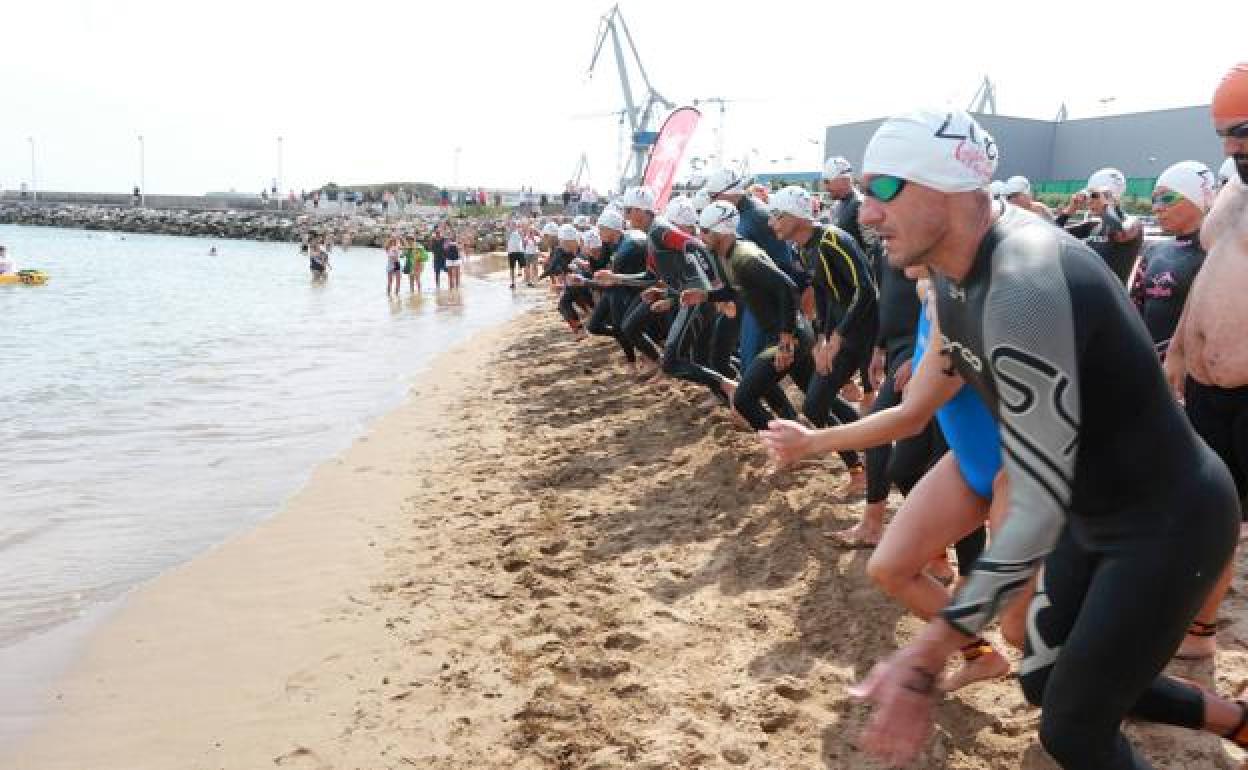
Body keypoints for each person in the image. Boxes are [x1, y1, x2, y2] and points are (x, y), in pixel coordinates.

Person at [848, 107, 1243, 770]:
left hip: (1168, 523)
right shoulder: (951, 274)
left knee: (1073, 732)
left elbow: (1033, 507)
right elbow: (933, 414)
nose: (866, 212)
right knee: (1045, 677)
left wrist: (924, 654)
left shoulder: (1025, 283)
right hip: (1093, 517)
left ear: (947, 185)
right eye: (863, 192)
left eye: (885, 189)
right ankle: (1235, 719)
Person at [762, 266, 1014, 692]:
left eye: (893, 216)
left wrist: (811, 442)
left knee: (1022, 628)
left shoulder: (963, 299)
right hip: (970, 463)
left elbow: (910, 418)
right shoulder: (928, 290)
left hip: (1018, 471)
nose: (879, 228)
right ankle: (979, 655)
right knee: (891, 568)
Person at [1162, 63, 1248, 662]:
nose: (1231, 146)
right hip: (1208, 390)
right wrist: (1181, 351)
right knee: (1212, 515)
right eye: (1223, 134)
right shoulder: (1237, 192)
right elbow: (1214, 274)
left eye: (1241, 130)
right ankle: (1201, 633)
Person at [768, 185, 876, 483]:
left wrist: (839, 336)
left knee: (863, 403)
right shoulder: (804, 249)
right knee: (816, 404)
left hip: (866, 332)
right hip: (843, 332)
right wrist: (822, 339)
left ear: (796, 216)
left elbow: (866, 291)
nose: (771, 223)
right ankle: (861, 461)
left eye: (777, 216)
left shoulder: (833, 239)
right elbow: (825, 296)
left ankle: (868, 462)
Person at [679, 200, 804, 415]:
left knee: (745, 398)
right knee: (817, 403)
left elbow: (789, 289)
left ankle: (784, 436)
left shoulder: (744, 257)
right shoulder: (728, 254)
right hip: (783, 332)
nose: (701, 237)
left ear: (722, 231)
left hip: (788, 335)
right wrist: (706, 295)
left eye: (706, 231)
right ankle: (791, 428)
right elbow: (740, 289)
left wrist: (785, 340)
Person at [1128, 161, 1214, 360]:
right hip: (1151, 367)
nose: (1157, 208)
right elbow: (1134, 313)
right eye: (1154, 200)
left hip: (1195, 371)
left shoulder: (1215, 253)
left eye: (1167, 198)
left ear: (1198, 199)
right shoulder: (1153, 251)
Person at [1056, 167, 1143, 285]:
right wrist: (1070, 210)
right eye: (1088, 195)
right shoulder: (1093, 225)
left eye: (1094, 195)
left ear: (1110, 196)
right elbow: (1053, 233)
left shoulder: (1133, 223)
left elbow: (1119, 234)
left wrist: (1108, 204)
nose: (1089, 201)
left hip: (1113, 301)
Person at [506, 222, 526, 289]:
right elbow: (507, 239)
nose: (513, 226)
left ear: (516, 226)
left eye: (514, 225)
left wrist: (524, 248)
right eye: (512, 225)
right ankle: (513, 282)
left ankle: (526, 279)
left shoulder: (520, 231)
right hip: (511, 252)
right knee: (512, 268)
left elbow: (523, 240)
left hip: (520, 251)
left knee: (524, 266)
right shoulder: (508, 232)